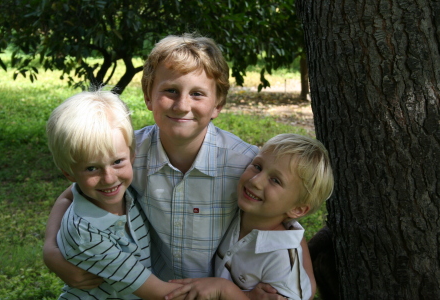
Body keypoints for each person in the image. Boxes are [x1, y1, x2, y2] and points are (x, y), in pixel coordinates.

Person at [43, 34, 314, 299]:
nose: (183, 105)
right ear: (149, 96)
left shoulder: (244, 164)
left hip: (213, 291)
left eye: (197, 94)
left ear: (217, 104)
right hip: (152, 285)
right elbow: (72, 193)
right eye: (170, 91)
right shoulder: (126, 156)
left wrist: (307, 280)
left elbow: (283, 216)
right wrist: (51, 252)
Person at [46, 90, 190, 299]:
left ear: (132, 155)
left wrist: (49, 248)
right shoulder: (87, 233)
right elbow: (160, 294)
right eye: (91, 168)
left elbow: (67, 196)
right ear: (69, 173)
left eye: (117, 162)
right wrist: (226, 291)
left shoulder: (123, 189)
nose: (109, 178)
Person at [165, 133, 334, 300]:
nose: (256, 181)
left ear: (297, 209)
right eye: (258, 166)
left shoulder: (280, 257)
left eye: (275, 180)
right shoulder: (235, 211)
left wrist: (224, 290)